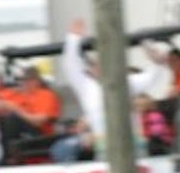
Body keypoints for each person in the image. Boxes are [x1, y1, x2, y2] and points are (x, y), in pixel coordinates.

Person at [52, 18, 165, 163]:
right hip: (105, 150)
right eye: (96, 63)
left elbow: (153, 75)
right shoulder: (88, 87)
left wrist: (154, 56)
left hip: (135, 149)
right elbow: (71, 64)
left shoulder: (127, 82)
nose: (99, 67)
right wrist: (73, 38)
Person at [10, 65, 62, 137]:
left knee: (12, 118)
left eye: (27, 80)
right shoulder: (18, 95)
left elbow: (39, 122)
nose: (24, 83)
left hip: (42, 134)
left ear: (37, 81)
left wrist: (16, 110)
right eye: (22, 80)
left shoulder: (47, 95)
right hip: (23, 131)